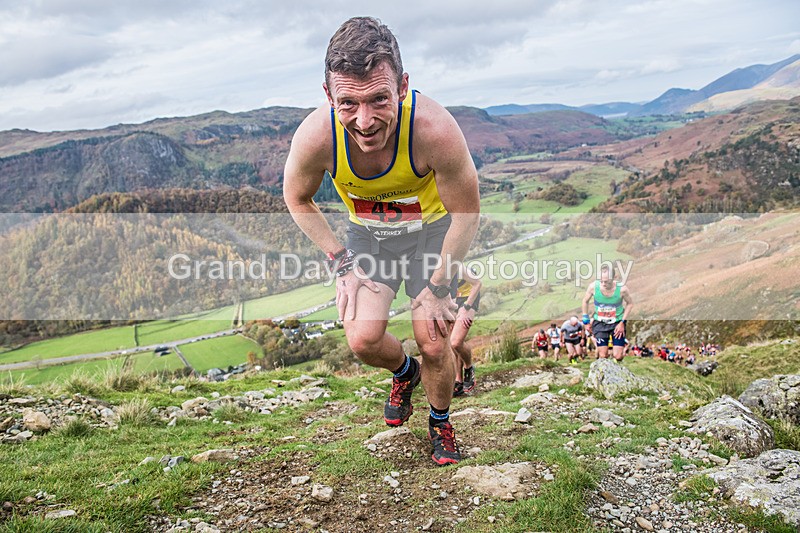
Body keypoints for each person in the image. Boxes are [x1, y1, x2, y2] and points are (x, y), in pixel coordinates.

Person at [283, 17, 480, 466]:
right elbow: (296, 197)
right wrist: (341, 262)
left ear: (403, 87)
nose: (365, 120)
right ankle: (403, 372)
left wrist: (436, 287)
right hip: (369, 237)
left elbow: (467, 214)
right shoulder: (317, 137)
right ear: (329, 96)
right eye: (348, 103)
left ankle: (439, 420)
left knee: (433, 339)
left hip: (430, 232)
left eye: (378, 99)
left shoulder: (435, 131)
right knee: (363, 339)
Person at [581, 265, 634, 361]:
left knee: (618, 356)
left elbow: (630, 304)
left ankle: (616, 370)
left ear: (614, 278)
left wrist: (622, 322)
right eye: (601, 281)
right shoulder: (593, 287)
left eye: (607, 282)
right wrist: (586, 321)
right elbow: (585, 301)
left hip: (617, 322)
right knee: (603, 355)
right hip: (600, 322)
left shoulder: (622, 289)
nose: (603, 284)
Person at [451, 265, 481, 397]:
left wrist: (466, 307)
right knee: (451, 343)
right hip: (452, 301)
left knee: (456, 342)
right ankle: (458, 380)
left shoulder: (456, 265)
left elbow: (478, 283)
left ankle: (468, 367)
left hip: (469, 298)